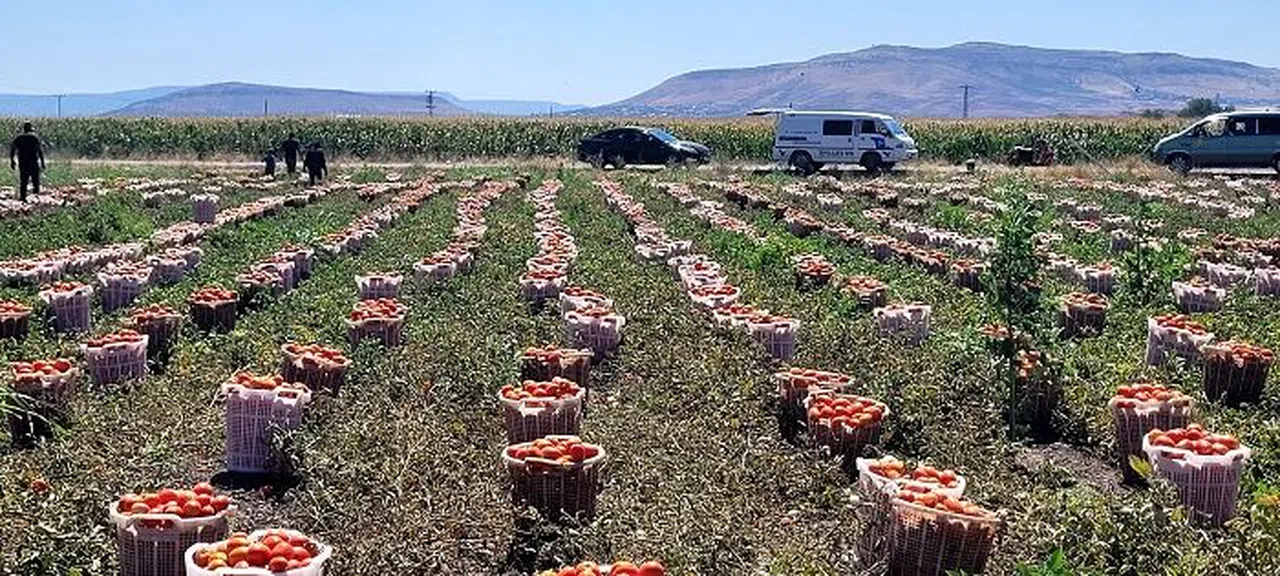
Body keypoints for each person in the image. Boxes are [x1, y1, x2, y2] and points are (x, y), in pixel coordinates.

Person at [8, 122, 45, 202]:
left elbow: (12, 150)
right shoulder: (34, 137)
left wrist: (12, 161)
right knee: (35, 181)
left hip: (23, 163)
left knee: (23, 181)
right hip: (33, 162)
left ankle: (23, 198)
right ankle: (36, 198)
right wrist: (42, 162)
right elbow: (40, 151)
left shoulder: (18, 138)